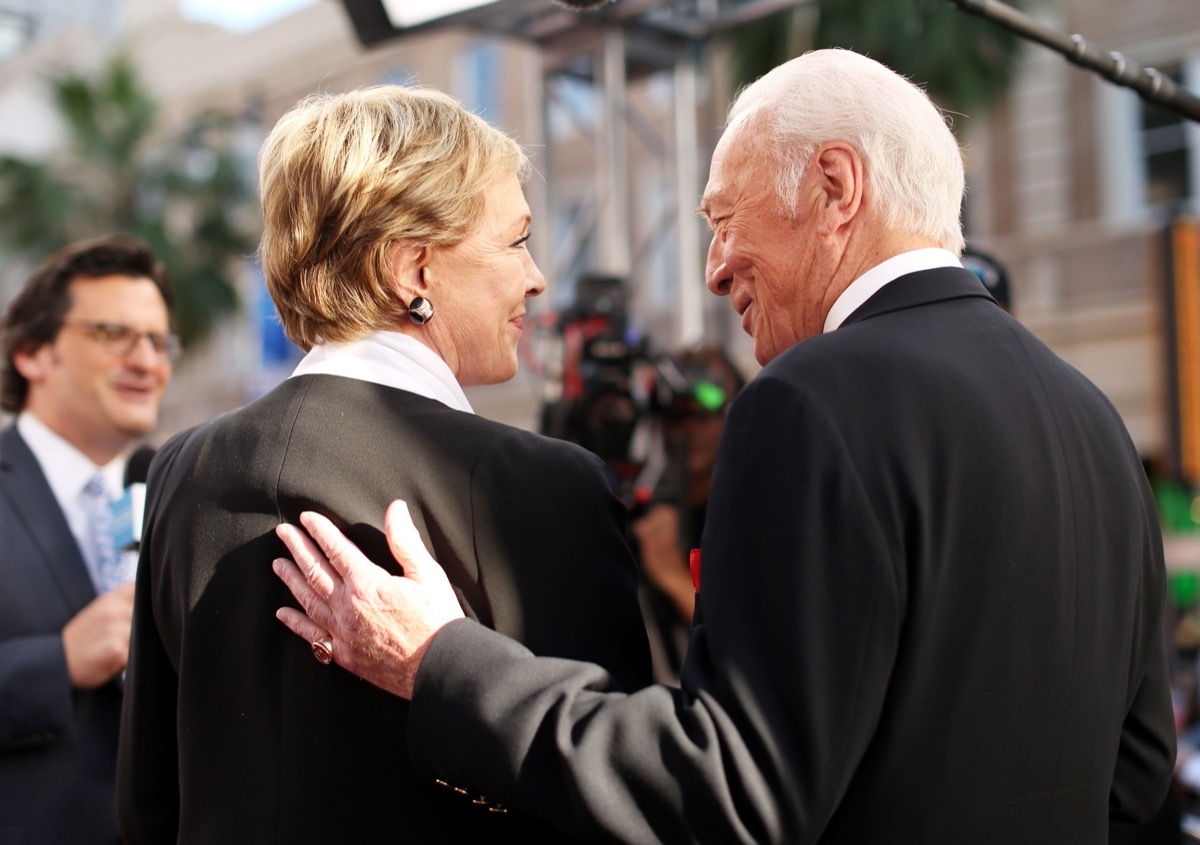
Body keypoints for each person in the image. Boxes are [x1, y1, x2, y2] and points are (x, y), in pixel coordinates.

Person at [271, 49, 1176, 843]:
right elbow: (1134, 774)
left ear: (834, 187)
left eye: (724, 219)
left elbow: (730, 793)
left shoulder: (808, 402)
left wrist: (441, 663)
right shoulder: (1090, 416)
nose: (714, 267)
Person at [116, 85, 651, 844]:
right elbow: (610, 789)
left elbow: (149, 799)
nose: (535, 277)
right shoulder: (537, 484)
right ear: (414, 270)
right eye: (515, 241)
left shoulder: (180, 467)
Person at [0, 234, 174, 845]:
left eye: (157, 342)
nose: (146, 361)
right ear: (32, 354)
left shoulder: (167, 491)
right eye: (112, 334)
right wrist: (58, 663)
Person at [633, 345, 745, 680]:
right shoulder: (645, 516)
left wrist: (673, 576)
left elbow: (744, 653)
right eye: (676, 412)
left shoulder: (754, 508)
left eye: (705, 407)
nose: (689, 427)